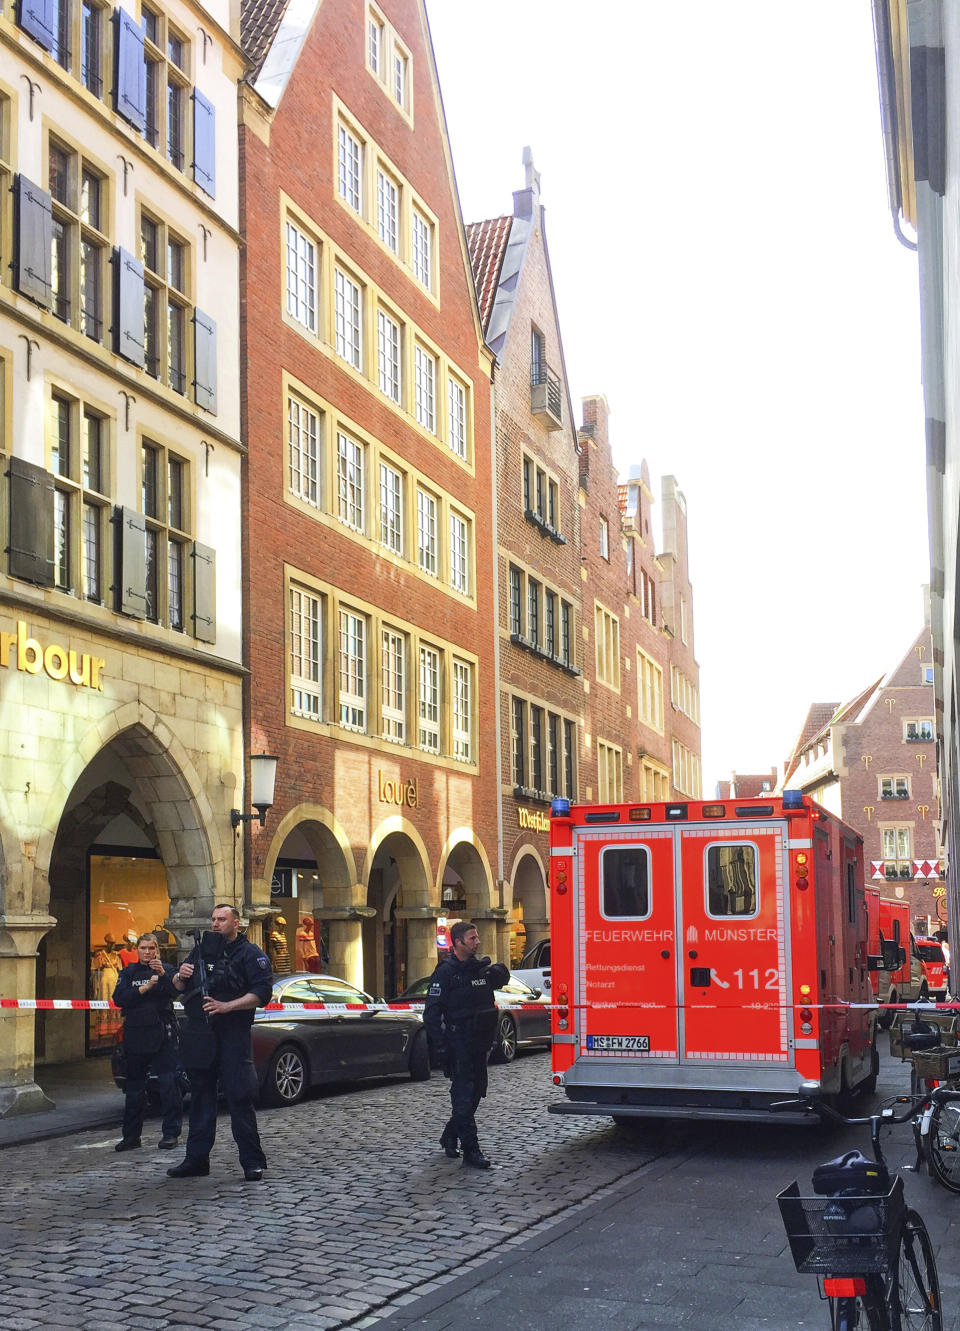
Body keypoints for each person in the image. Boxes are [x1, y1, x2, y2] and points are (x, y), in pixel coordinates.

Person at [167, 904, 274, 1182]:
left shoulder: (251, 954)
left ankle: (252, 1162)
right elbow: (178, 986)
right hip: (201, 1034)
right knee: (201, 1098)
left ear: (236, 923)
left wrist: (228, 1006)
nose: (215, 924)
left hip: (233, 1034)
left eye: (221, 919)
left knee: (240, 1097)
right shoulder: (201, 950)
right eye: (213, 919)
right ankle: (196, 1160)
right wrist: (180, 976)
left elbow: (262, 993)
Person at [423, 921, 509, 1169]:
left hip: (479, 1043)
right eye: (472, 938)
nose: (477, 941)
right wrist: (440, 1047)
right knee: (463, 1097)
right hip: (458, 1043)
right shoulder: (446, 972)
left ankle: (450, 1135)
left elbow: (500, 979)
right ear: (458, 942)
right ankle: (472, 1150)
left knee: (475, 1094)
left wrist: (496, 971)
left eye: (476, 937)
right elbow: (431, 1013)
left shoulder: (478, 970)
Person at [112, 932, 182, 1152]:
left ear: (157, 950)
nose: (147, 952)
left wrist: (162, 975)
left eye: (151, 948)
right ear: (137, 950)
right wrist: (144, 989)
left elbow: (176, 991)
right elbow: (119, 997)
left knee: (169, 1084)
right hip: (136, 1034)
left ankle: (171, 1134)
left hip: (163, 1033)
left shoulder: (166, 970)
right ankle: (131, 1136)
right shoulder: (129, 972)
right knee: (134, 1088)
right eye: (143, 948)